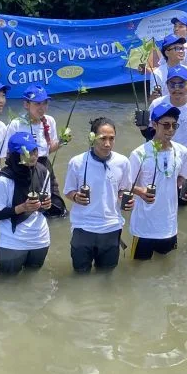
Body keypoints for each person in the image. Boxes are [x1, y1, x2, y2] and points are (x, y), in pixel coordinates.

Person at [63, 117, 134, 273]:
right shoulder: (77, 162)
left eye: (111, 139)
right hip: (83, 227)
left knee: (106, 274)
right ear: (92, 137)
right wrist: (76, 197)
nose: (107, 144)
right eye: (102, 138)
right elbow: (68, 191)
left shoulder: (123, 162)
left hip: (111, 226)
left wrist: (127, 200)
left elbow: (124, 189)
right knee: (80, 274)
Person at [128, 102, 187, 261]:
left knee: (167, 265)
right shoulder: (139, 153)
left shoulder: (182, 152)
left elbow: (181, 178)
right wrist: (140, 192)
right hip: (144, 226)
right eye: (166, 125)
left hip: (169, 224)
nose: (170, 129)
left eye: (174, 125)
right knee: (138, 268)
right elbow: (125, 184)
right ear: (154, 124)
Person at [0, 132, 53, 275]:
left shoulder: (43, 172)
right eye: (26, 152)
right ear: (15, 156)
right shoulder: (3, 180)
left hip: (40, 239)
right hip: (13, 241)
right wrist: (22, 208)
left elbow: (44, 208)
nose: (33, 155)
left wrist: (47, 205)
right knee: (7, 284)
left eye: (34, 150)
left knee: (32, 280)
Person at [149, 65, 187, 203]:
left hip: (184, 166)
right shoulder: (156, 104)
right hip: (158, 161)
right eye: (172, 84)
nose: (177, 88)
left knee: (181, 203)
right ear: (167, 85)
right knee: (154, 200)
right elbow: (149, 135)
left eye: (181, 84)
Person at [3, 85, 66, 216]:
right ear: (26, 104)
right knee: (30, 207)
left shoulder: (50, 121)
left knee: (56, 207)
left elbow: (49, 150)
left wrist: (62, 141)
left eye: (45, 103)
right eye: (37, 103)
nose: (42, 107)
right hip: (24, 168)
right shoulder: (16, 124)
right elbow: (8, 154)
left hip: (44, 164)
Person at [148, 16, 187, 85]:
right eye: (175, 26)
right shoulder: (169, 47)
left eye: (180, 26)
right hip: (164, 88)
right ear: (167, 52)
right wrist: (147, 70)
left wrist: (177, 81)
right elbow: (161, 69)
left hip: (180, 92)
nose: (176, 29)